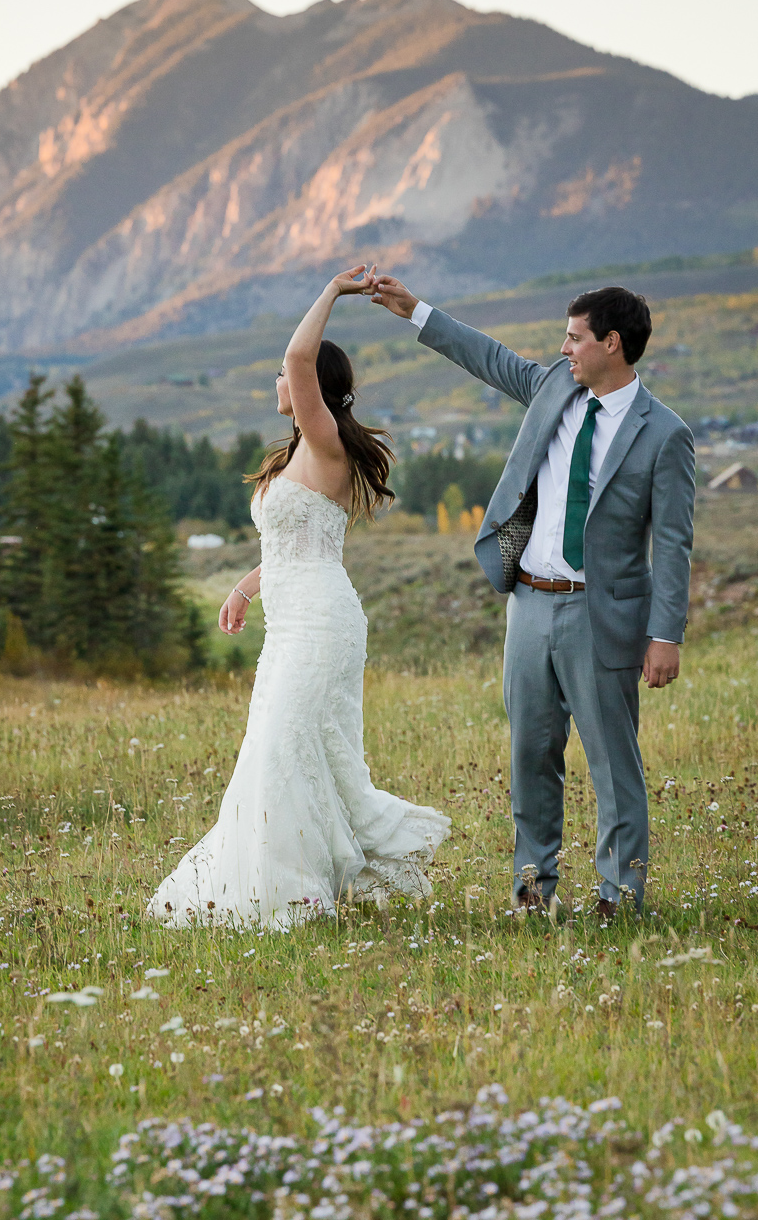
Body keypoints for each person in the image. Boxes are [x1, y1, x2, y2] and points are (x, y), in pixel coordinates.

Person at [371, 277, 694, 917]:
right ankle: (531, 890)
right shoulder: (554, 387)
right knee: (529, 756)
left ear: (612, 343)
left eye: (575, 338)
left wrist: (666, 635)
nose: (564, 348)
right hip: (528, 605)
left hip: (600, 617)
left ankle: (620, 898)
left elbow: (675, 543)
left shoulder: (666, 435)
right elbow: (490, 358)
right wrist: (418, 312)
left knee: (613, 763)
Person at [147, 266, 450, 930]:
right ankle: (302, 886)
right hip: (289, 625)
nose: (279, 383)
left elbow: (296, 354)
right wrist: (242, 588)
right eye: (281, 380)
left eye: (286, 381)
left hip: (321, 623)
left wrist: (333, 293)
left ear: (315, 387)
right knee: (280, 751)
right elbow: (289, 544)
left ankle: (295, 898)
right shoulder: (293, 458)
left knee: (286, 749)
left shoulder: (326, 443)